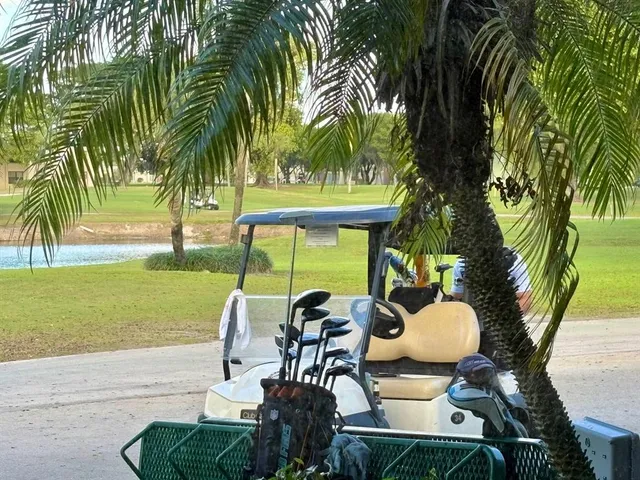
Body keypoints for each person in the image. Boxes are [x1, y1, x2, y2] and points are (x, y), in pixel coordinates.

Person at [450, 247, 533, 314]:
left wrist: (511, 321)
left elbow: (525, 297)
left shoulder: (514, 261)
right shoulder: (461, 264)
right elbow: (457, 296)